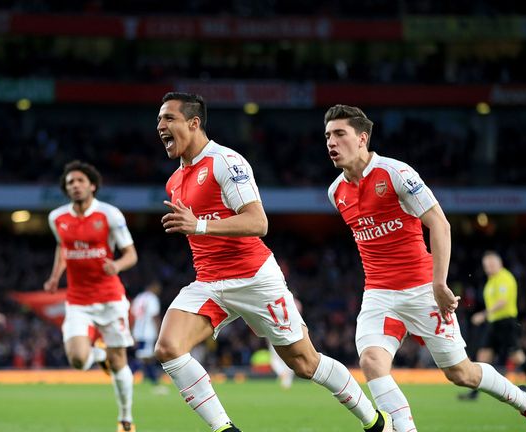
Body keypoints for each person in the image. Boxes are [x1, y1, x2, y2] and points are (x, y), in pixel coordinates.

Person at [154, 92, 391, 432]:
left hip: (254, 278)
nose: (161, 126)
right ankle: (225, 429)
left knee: (305, 363)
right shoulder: (175, 180)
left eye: (169, 119)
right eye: (159, 120)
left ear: (194, 123)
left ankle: (374, 421)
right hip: (210, 282)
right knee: (168, 347)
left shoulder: (225, 162)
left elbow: (258, 222)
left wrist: (200, 225)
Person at [323, 104, 526, 432]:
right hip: (379, 293)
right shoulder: (336, 192)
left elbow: (439, 224)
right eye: (327, 136)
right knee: (372, 362)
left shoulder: (395, 173)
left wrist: (439, 283)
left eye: (339, 134)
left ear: (362, 138)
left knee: (460, 373)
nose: (331, 142)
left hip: (422, 289)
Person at [44, 160, 139, 432]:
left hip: (110, 299)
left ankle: (125, 419)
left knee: (119, 360)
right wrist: (54, 277)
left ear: (92, 185)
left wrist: (116, 266)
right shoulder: (57, 218)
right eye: (70, 182)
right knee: (76, 359)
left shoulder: (110, 215)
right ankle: (99, 356)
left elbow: (131, 254)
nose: (74, 185)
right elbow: (63, 249)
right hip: (78, 300)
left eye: (80, 181)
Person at [458, 251, 526, 401]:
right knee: (483, 356)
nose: (488, 267)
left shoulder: (505, 278)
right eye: (486, 265)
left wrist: (483, 314)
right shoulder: (491, 281)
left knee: (516, 355)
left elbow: (502, 301)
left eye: (491, 264)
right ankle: (474, 393)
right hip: (494, 323)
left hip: (506, 322)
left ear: (499, 263)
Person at [130, 280, 168, 394]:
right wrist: (159, 332)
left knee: (146, 358)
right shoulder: (152, 299)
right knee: (144, 358)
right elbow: (154, 316)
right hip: (148, 332)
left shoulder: (138, 298)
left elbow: (133, 316)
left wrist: (132, 332)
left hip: (138, 332)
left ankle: (150, 380)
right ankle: (127, 377)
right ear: (153, 287)